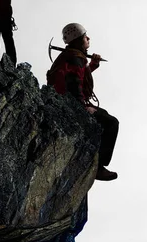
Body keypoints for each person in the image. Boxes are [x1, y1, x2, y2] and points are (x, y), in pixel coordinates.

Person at [46, 23, 119, 181]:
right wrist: (83, 108)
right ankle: (98, 167)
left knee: (104, 115)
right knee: (111, 123)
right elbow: (73, 83)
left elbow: (76, 75)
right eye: (86, 36)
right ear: (79, 40)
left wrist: (92, 65)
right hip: (70, 104)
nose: (88, 38)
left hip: (63, 102)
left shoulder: (71, 56)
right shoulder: (75, 58)